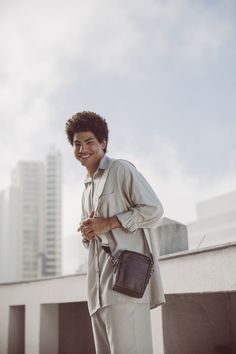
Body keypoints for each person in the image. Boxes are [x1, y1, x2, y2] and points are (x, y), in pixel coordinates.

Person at [65, 111, 165, 354]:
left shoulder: (120, 169)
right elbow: (93, 238)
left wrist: (108, 222)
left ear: (103, 143)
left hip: (125, 287)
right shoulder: (86, 188)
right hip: (97, 292)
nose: (82, 149)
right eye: (77, 144)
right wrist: (88, 233)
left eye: (89, 141)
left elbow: (154, 210)